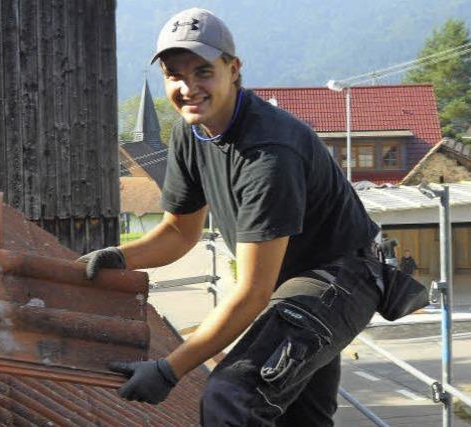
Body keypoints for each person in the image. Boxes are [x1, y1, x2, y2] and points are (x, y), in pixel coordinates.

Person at [79, 8, 385, 426]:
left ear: (233, 69)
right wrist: (119, 257)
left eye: (202, 72)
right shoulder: (190, 132)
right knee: (300, 417)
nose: (188, 87)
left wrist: (169, 371)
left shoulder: (269, 153)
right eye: (174, 75)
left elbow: (253, 291)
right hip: (288, 285)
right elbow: (179, 232)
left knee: (232, 397)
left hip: (339, 280)